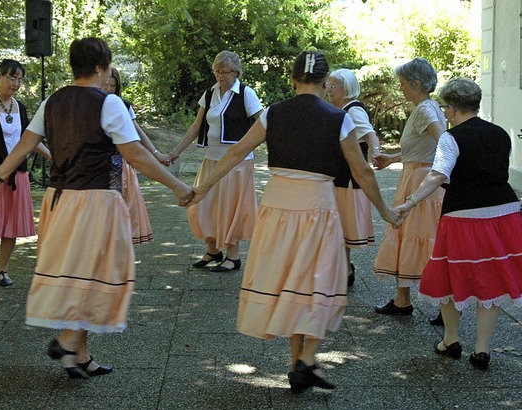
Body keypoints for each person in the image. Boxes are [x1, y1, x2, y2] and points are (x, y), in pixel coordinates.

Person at [189, 51, 399, 392]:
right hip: (316, 206)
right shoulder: (338, 118)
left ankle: (299, 364)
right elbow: (360, 170)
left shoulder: (273, 114)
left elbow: (235, 152)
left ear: (292, 78)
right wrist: (386, 212)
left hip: (276, 206)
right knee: (320, 280)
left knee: (290, 281)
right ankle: (306, 360)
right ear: (325, 82)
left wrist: (201, 189)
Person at [0, 37, 192, 379]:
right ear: (100, 67)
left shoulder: (52, 101)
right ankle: (67, 341)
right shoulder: (109, 104)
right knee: (99, 273)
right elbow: (135, 154)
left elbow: (25, 144)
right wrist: (178, 186)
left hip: (58, 199)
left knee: (76, 274)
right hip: (95, 200)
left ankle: (79, 355)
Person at [395, 77, 522, 370]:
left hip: (463, 215)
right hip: (504, 213)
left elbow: (438, 175)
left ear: (451, 110)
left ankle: (450, 339)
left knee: (450, 275)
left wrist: (409, 203)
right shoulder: (502, 134)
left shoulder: (450, 138)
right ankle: (482, 350)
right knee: (491, 278)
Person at [169, 50, 263, 272]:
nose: (220, 76)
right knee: (203, 205)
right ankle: (212, 250)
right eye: (217, 71)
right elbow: (196, 126)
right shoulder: (210, 93)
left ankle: (233, 256)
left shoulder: (246, 94)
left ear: (236, 72)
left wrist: (248, 146)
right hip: (211, 159)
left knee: (231, 208)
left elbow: (263, 123)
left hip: (236, 163)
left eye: (225, 72)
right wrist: (176, 152)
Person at [373, 57, 446, 316]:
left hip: (422, 182)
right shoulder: (428, 107)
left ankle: (441, 303)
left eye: (403, 83)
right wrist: (391, 159)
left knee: (421, 237)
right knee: (409, 235)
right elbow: (421, 149)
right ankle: (404, 299)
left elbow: (443, 143)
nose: (401, 87)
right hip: (416, 177)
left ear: (415, 83)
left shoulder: (426, 110)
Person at [0, 59, 51, 286]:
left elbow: (30, 140)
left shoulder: (20, 107)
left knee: (12, 224)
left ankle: (2, 270)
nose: (16, 83)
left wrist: (53, 157)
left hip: (18, 176)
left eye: (19, 79)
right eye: (11, 77)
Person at [327, 69, 382, 286]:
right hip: (338, 175)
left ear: (346, 88)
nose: (329, 90)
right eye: (328, 86)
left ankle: (344, 271)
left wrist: (376, 152)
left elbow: (369, 134)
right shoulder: (339, 110)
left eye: (334, 86)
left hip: (347, 177)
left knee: (343, 226)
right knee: (338, 226)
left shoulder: (353, 110)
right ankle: (343, 270)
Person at [103, 67, 170, 244]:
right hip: (98, 166)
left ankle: (119, 250)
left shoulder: (123, 105)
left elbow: (137, 132)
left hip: (120, 164)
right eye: (106, 85)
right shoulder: (90, 105)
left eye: (113, 85)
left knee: (122, 209)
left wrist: (156, 154)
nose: (109, 89)